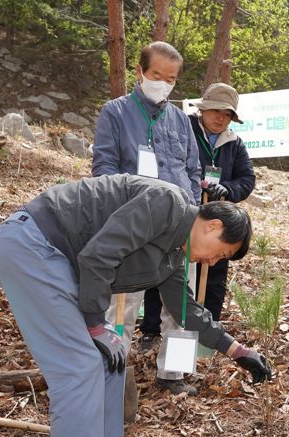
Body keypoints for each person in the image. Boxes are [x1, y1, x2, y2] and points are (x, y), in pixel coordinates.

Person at [0, 174, 271, 437]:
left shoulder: (172, 254)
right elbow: (97, 256)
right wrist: (95, 325)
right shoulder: (166, 203)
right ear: (212, 226)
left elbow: (186, 309)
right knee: (80, 366)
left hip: (55, 259)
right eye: (220, 254)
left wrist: (237, 351)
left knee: (112, 356)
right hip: (33, 246)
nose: (212, 263)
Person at [92, 41, 203, 395]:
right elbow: (104, 167)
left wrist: (194, 208)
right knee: (123, 306)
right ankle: (115, 376)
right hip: (135, 225)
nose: (164, 84)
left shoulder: (181, 121)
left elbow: (192, 167)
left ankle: (175, 373)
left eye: (171, 79)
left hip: (180, 226)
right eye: (157, 75)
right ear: (141, 72)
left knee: (181, 307)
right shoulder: (116, 112)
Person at [140, 83, 256, 359]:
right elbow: (171, 164)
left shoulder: (234, 144)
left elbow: (247, 179)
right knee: (166, 273)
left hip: (218, 225)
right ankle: (150, 330)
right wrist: (194, 184)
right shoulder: (184, 129)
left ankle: (208, 337)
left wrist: (226, 189)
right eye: (215, 111)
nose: (220, 118)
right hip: (183, 219)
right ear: (203, 110)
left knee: (214, 276)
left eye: (226, 115)